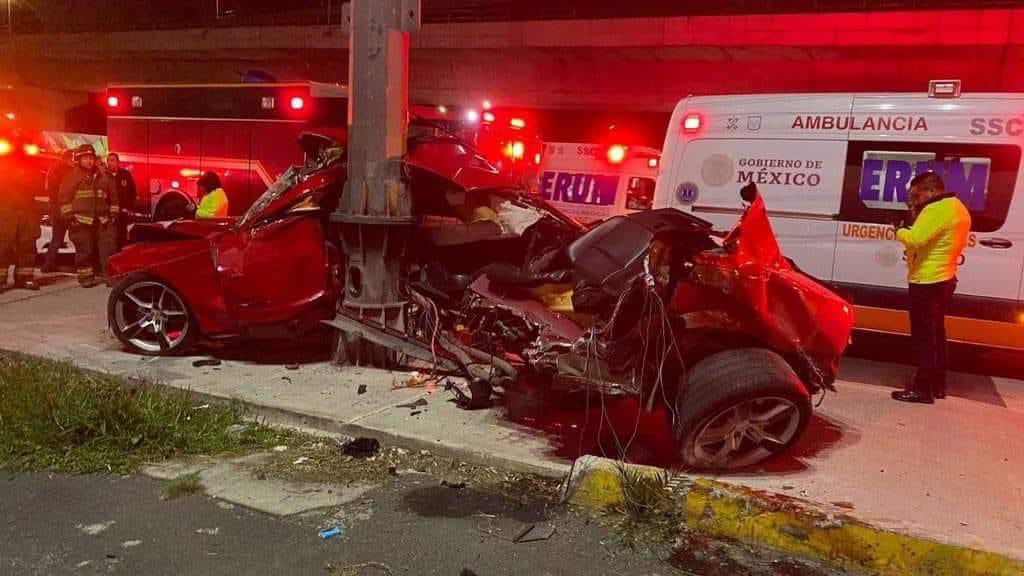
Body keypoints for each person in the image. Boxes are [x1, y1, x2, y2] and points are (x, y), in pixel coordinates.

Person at [892, 172, 971, 404]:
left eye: (917, 195)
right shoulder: (957, 207)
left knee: (924, 338)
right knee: (937, 334)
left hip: (927, 282)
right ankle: (937, 383)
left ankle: (922, 389)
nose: (915, 201)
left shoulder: (936, 209)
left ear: (931, 191)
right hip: (944, 278)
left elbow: (915, 239)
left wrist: (898, 228)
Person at [60, 144, 118, 288]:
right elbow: (63, 199)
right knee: (84, 251)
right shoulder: (71, 177)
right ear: (78, 160)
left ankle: (111, 277)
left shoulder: (104, 176)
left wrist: (114, 213)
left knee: (108, 249)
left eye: (91, 158)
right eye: (85, 158)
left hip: (103, 220)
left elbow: (114, 196)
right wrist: (69, 218)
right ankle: (86, 278)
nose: (89, 161)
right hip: (81, 220)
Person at [0, 132, 41, 291]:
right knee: (2, 245)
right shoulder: (3, 163)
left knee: (27, 244)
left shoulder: (31, 164)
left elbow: (38, 185)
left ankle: (24, 278)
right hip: (5, 209)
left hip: (27, 210)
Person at [42, 149, 75, 273]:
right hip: (64, 210)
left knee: (57, 239)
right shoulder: (65, 170)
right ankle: (81, 265)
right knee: (77, 238)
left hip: (56, 209)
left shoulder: (53, 169)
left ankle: (48, 264)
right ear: (68, 158)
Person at [105, 153, 137, 249]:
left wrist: (129, 208)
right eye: (108, 160)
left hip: (123, 212)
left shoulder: (125, 174)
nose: (109, 163)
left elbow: (132, 192)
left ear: (118, 162)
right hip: (109, 213)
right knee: (110, 236)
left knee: (122, 235)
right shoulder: (104, 176)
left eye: (112, 160)